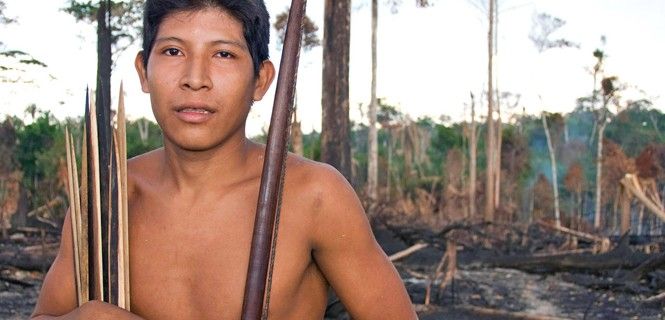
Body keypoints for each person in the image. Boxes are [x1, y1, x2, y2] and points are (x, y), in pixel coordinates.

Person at [31, 0, 417, 319]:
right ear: (143, 71)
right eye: (172, 51)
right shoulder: (110, 199)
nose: (195, 78)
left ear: (261, 81)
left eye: (223, 54)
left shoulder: (311, 195)